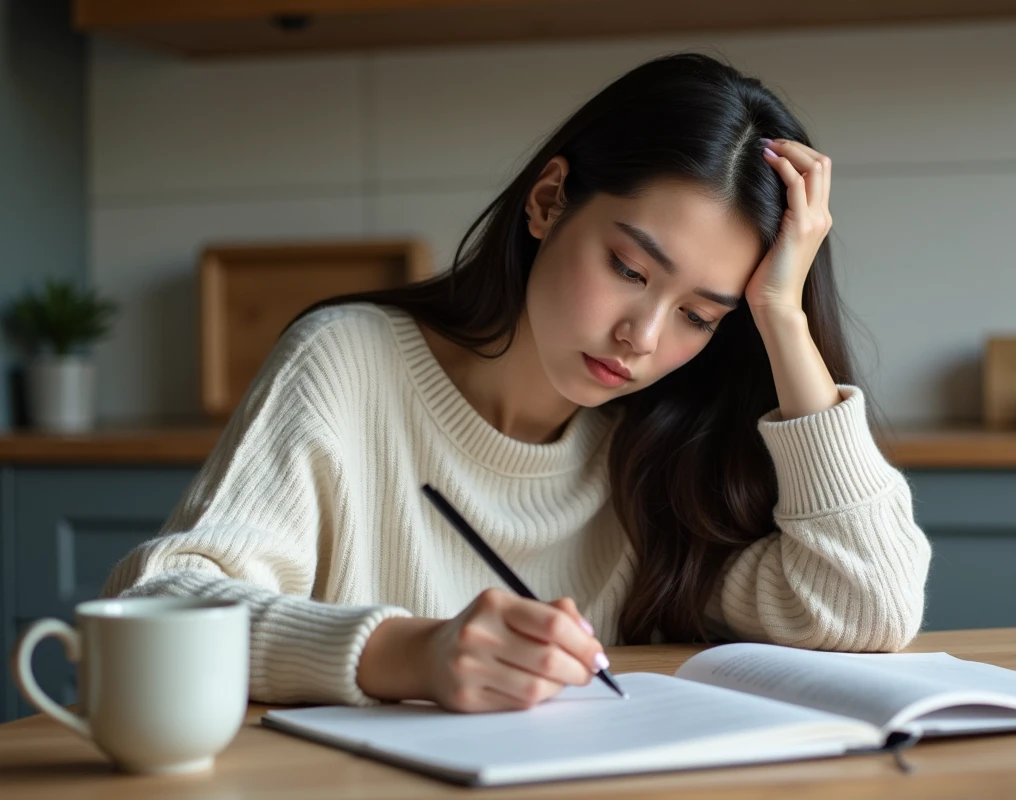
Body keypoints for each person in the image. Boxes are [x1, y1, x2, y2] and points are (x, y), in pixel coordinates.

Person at [103, 52, 931, 714]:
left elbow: (870, 607)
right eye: (628, 268)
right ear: (547, 201)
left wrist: (782, 315)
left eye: (701, 316)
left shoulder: (659, 456)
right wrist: (411, 654)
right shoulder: (348, 362)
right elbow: (162, 607)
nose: (640, 339)